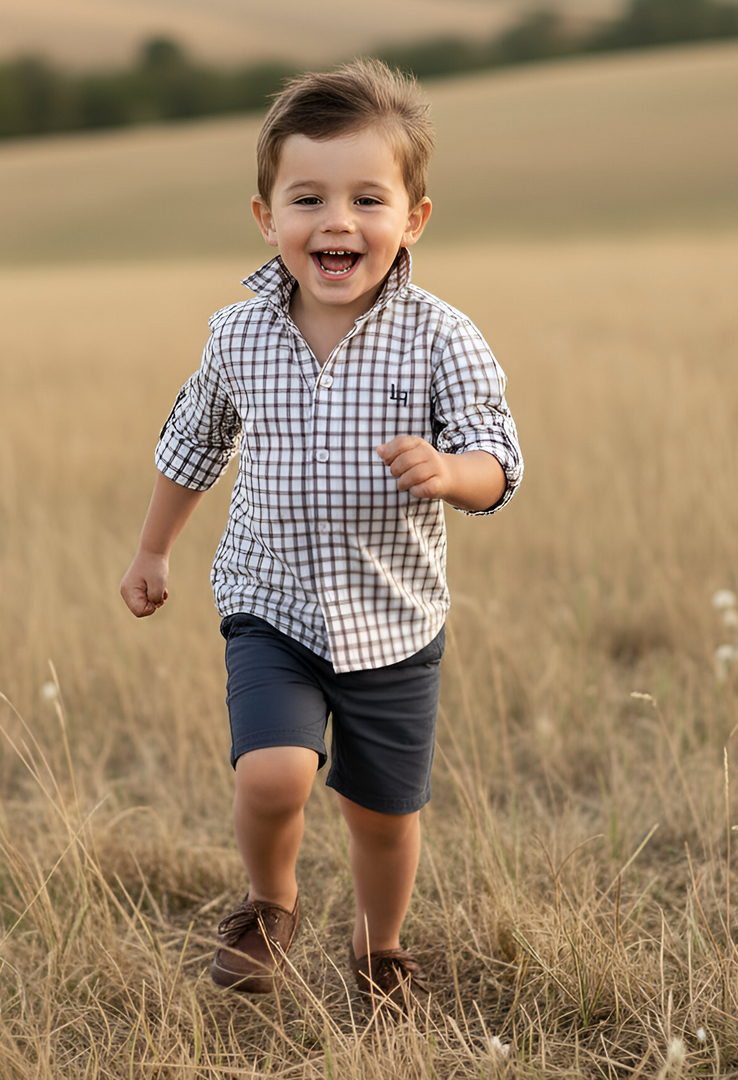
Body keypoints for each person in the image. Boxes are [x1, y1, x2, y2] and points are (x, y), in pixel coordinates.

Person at [119, 58, 522, 1011]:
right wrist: (152, 549)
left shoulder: (443, 337)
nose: (337, 221)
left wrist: (451, 472)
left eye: (367, 199)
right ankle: (269, 903)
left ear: (413, 218)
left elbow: (499, 459)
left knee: (382, 816)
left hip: (394, 626)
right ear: (266, 216)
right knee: (273, 775)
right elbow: (193, 445)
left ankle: (380, 951)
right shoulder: (238, 335)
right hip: (271, 604)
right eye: (308, 198)